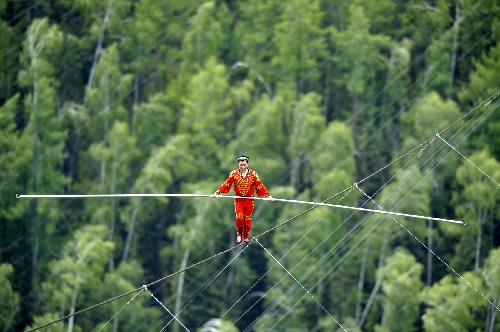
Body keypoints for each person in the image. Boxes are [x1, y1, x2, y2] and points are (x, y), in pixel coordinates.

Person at [211, 155, 274, 243]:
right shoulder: (234, 174)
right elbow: (227, 184)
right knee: (240, 218)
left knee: (247, 220)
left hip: (249, 200)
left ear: (247, 164)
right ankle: (239, 233)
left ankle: (246, 235)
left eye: (244, 165)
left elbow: (260, 186)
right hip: (239, 200)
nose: (243, 167)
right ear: (238, 164)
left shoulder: (253, 174)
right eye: (241, 165)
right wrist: (217, 193)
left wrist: (268, 196)